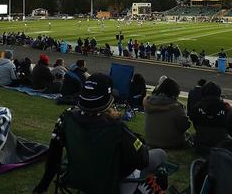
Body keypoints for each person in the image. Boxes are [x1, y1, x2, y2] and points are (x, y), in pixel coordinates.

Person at [33, 74, 167, 194]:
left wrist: (43, 185)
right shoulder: (116, 127)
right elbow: (142, 159)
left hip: (77, 177)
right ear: (107, 100)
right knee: (160, 153)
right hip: (108, 183)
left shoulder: (66, 118)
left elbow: (53, 157)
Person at [143, 77, 190, 148]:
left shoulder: (149, 101)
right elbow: (185, 126)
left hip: (149, 141)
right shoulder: (177, 107)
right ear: (175, 91)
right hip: (169, 144)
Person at [189, 82, 230, 155]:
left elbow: (193, 119)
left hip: (201, 143)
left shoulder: (197, 107)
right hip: (220, 144)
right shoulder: (226, 107)